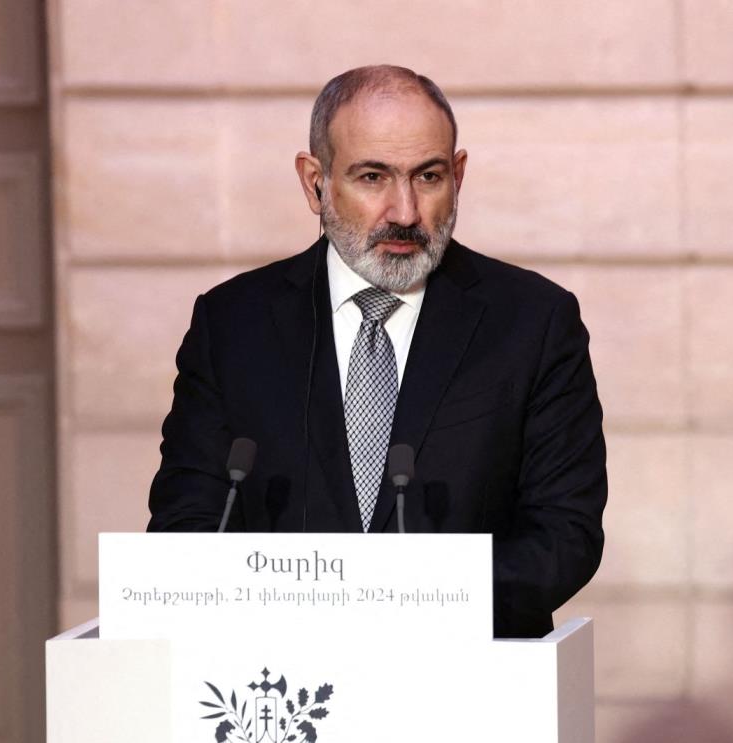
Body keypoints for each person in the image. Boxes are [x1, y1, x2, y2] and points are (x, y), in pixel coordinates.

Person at [147, 65, 607, 639]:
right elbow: (187, 525)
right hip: (282, 683)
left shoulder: (533, 322)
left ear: (458, 176)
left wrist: (411, 612)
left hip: (469, 683)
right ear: (315, 182)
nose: (406, 212)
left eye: (429, 176)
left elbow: (564, 533)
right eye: (372, 177)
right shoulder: (233, 324)